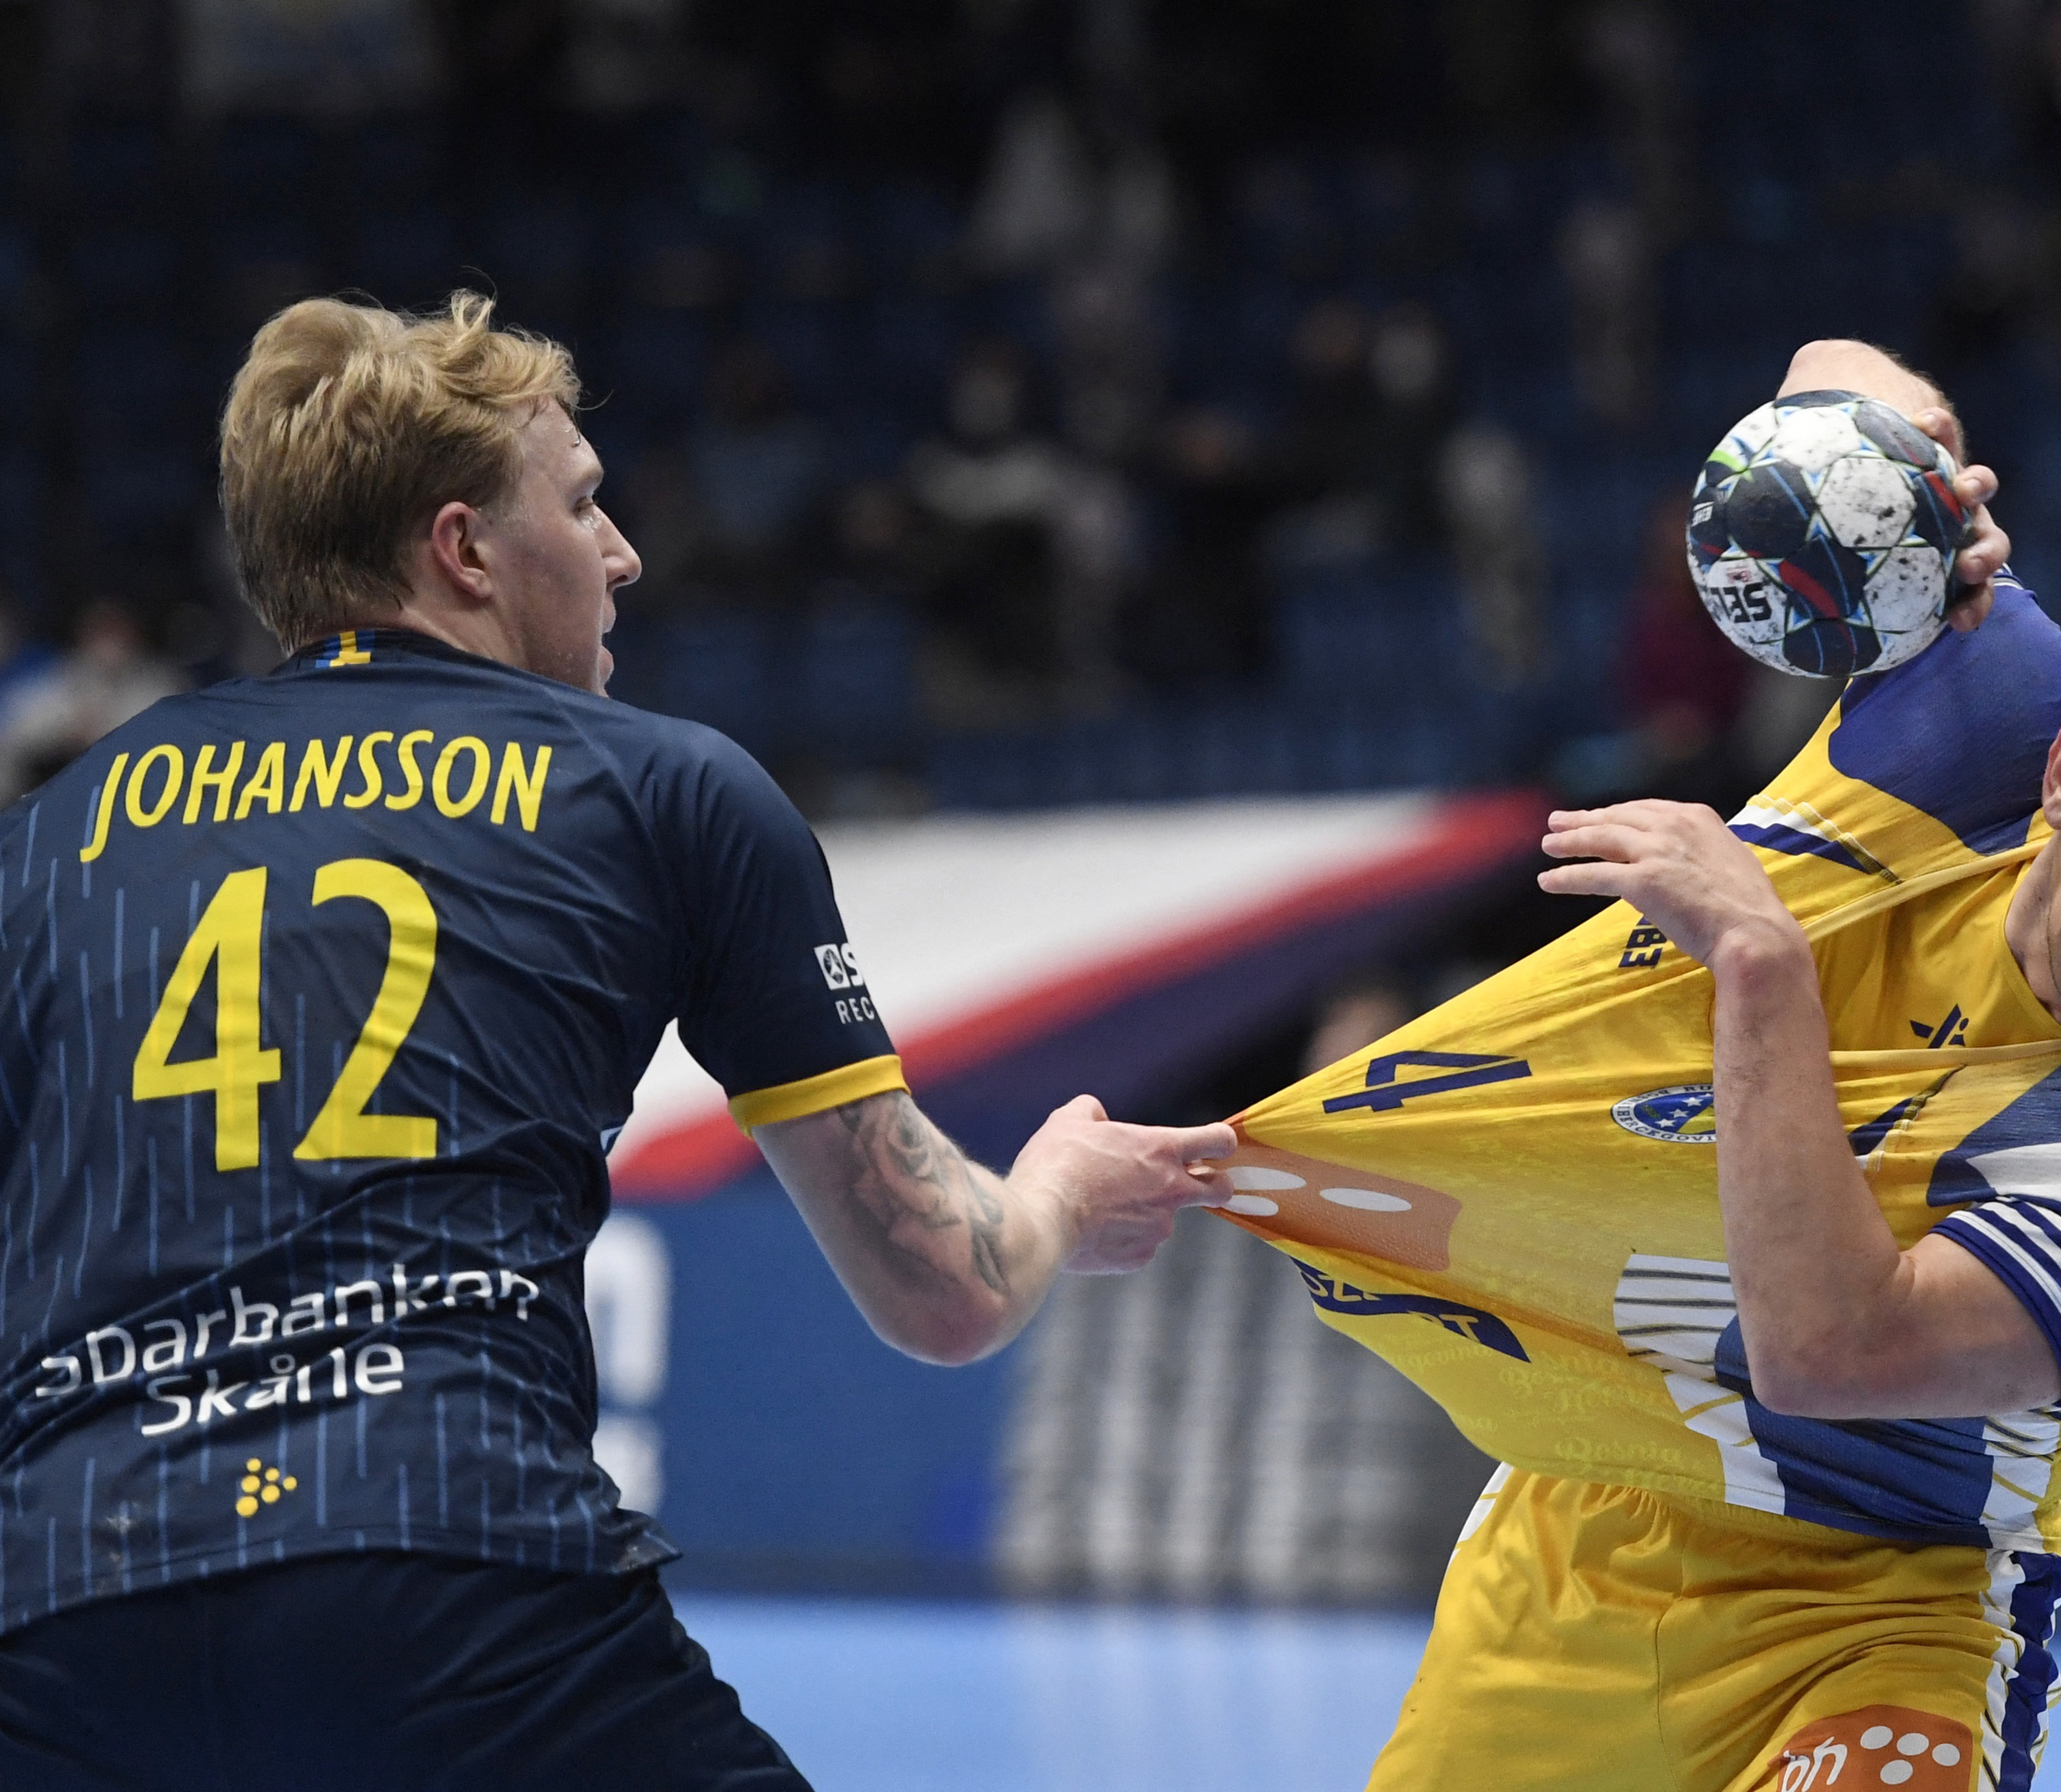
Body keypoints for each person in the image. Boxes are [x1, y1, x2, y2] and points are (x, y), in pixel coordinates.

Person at [0, 292, 1233, 1790]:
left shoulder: (47, 842)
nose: (625, 552)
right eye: (583, 504)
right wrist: (1061, 1194)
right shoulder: (662, 791)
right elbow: (942, 1286)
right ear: (463, 550)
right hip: (460, 1576)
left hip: (64, 1607)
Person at [1214, 340, 2061, 1791]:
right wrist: (1915, 457)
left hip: (1884, 1606)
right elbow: (1822, 366)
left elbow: (1834, 1357)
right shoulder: (1989, 719)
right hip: (1591, 1521)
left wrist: (1759, 963)